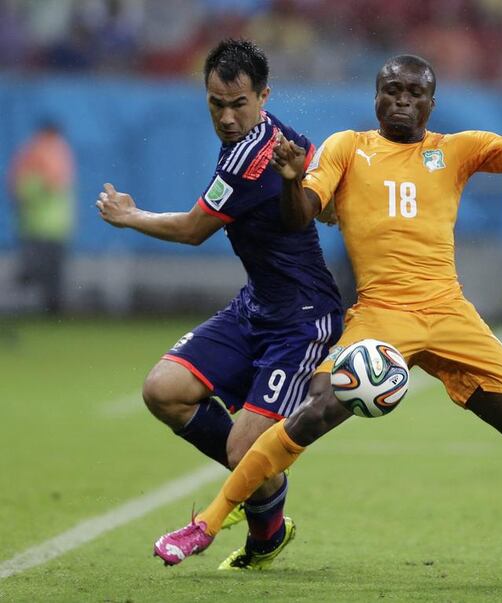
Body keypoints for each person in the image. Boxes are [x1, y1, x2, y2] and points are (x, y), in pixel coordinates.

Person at [154, 54, 502, 582]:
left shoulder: (457, 150)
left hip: (451, 315)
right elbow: (299, 217)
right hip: (379, 317)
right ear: (375, 97)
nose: (401, 100)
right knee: (313, 411)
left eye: (414, 92)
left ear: (432, 102)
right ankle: (207, 523)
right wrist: (292, 179)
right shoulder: (346, 149)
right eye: (391, 90)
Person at [96, 39, 342, 570]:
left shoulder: (251, 161)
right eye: (215, 104)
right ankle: (265, 479)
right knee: (164, 391)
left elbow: (192, 231)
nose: (227, 117)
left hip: (300, 322)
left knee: (240, 452)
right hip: (256, 306)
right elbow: (316, 190)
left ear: (263, 96)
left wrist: (130, 216)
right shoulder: (278, 138)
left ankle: (263, 518)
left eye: (238, 105)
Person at [8, 120, 76, 314]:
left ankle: (43, 311)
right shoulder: (49, 153)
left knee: (41, 273)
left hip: (42, 225)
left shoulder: (37, 153)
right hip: (48, 225)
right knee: (39, 273)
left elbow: (21, 189)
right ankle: (44, 311)